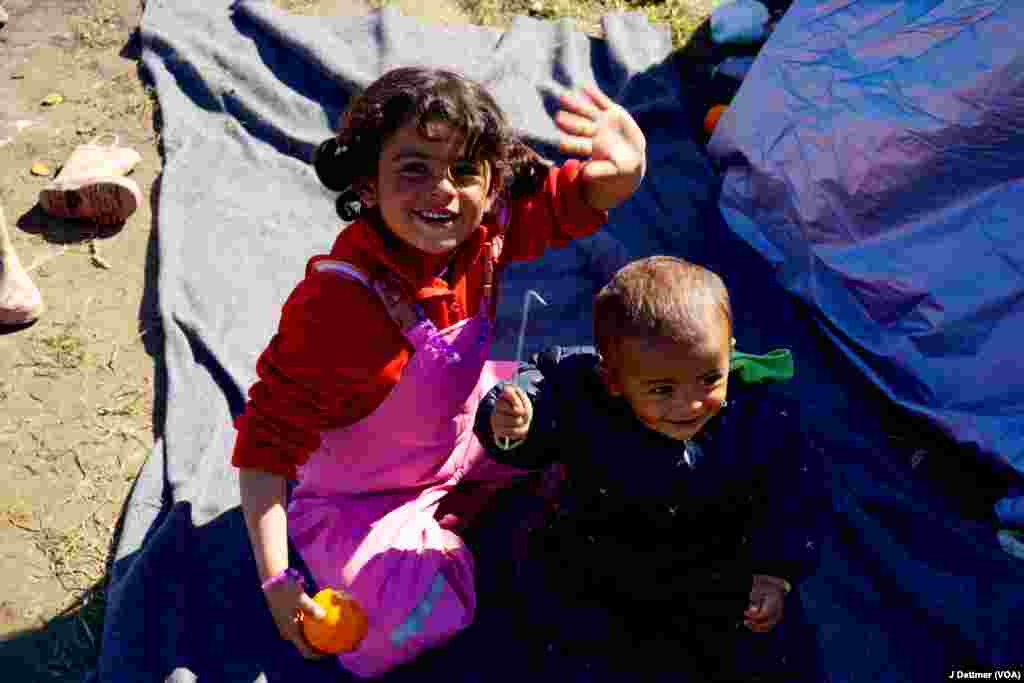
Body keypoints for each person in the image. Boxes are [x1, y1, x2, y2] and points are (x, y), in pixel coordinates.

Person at [231, 66, 646, 678]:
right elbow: (264, 452)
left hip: (467, 431)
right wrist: (275, 580)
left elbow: (566, 203)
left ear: (493, 186)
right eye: (414, 169)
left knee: (593, 416)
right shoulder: (337, 307)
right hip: (364, 497)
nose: (442, 190)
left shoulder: (485, 237)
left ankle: (468, 511)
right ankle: (467, 533)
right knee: (378, 630)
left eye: (464, 171)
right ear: (368, 185)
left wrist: (624, 175)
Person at [475, 255, 824, 681]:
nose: (690, 404)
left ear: (730, 354)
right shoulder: (584, 394)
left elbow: (793, 493)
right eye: (662, 389)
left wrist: (775, 573)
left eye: (709, 378)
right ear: (613, 380)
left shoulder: (762, 418)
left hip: (714, 567)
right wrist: (512, 423)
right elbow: (541, 392)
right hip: (597, 558)